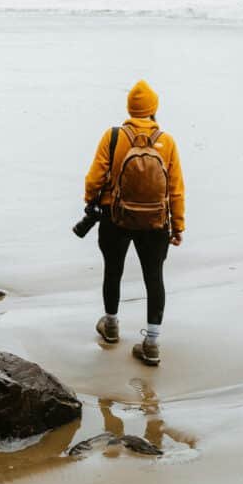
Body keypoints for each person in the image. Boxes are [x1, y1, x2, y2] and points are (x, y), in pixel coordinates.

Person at [84, 79, 185, 366]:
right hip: (155, 223)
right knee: (154, 278)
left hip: (114, 217)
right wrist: (178, 226)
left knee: (113, 270)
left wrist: (91, 200)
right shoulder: (167, 141)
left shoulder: (113, 136)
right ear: (154, 109)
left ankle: (112, 326)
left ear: (130, 108)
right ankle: (151, 343)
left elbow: (94, 178)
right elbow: (175, 188)